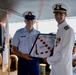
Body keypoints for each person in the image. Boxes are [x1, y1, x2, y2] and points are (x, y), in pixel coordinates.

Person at [43, 3, 75, 75]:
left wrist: (48, 59)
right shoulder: (60, 29)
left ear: (65, 15)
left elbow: (63, 54)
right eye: (56, 13)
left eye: (61, 14)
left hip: (63, 69)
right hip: (56, 67)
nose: (58, 16)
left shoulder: (68, 30)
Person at [11, 11, 40, 75]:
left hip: (35, 61)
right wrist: (22, 56)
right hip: (22, 61)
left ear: (34, 21)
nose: (29, 21)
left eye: (31, 19)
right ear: (25, 21)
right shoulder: (18, 32)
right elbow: (13, 49)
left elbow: (41, 48)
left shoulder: (38, 34)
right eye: (28, 19)